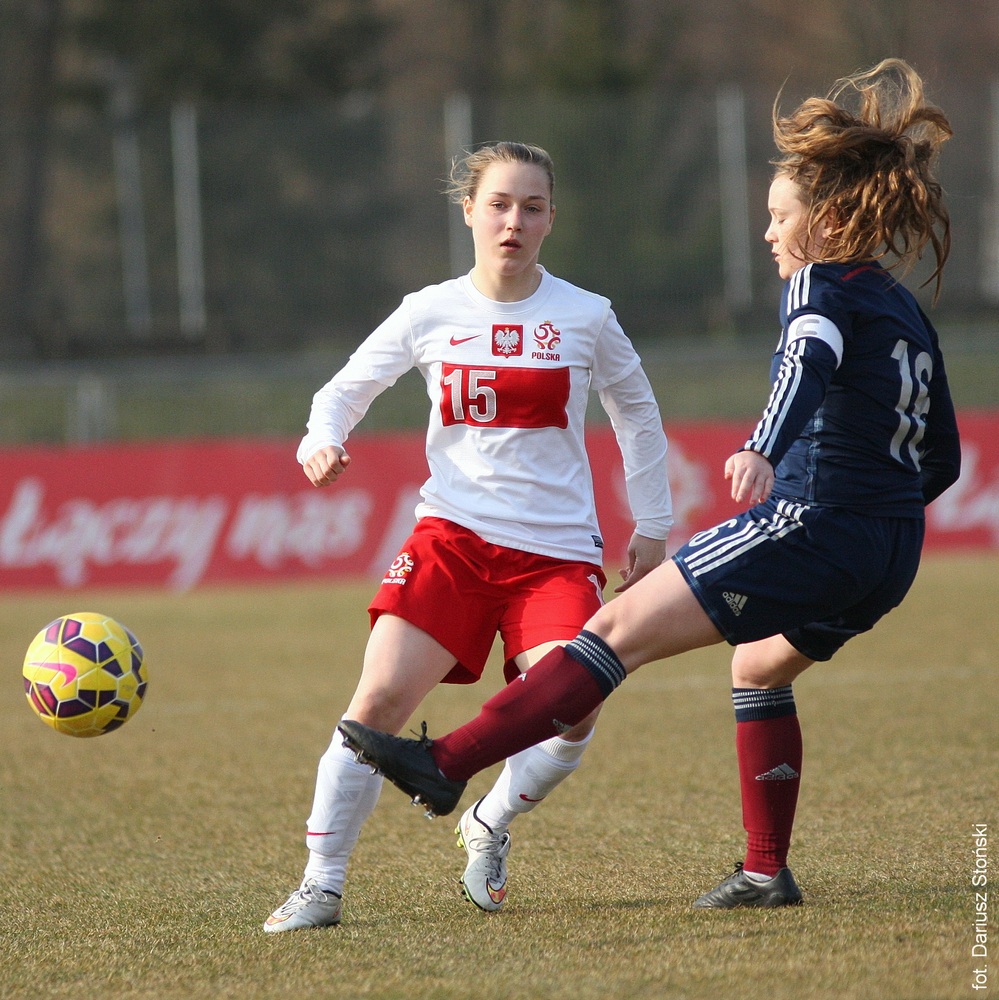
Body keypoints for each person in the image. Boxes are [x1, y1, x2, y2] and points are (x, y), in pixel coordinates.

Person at [339, 58, 963, 909]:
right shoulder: (902, 306)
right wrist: (877, 519)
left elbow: (806, 359)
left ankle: (447, 764)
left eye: (779, 217)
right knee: (757, 668)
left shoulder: (819, 281)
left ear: (829, 220)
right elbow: (942, 458)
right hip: (892, 548)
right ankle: (763, 872)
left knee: (611, 630)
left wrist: (765, 448)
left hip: (814, 521)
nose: (770, 234)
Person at [263, 141, 673, 931]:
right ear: (468, 212)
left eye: (531, 207)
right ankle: (321, 885)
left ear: (550, 219)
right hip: (451, 541)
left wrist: (652, 523)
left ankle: (489, 820)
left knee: (575, 710)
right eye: (498, 204)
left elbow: (638, 415)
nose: (513, 221)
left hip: (555, 557)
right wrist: (320, 440)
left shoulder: (586, 315)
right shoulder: (429, 310)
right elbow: (341, 392)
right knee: (376, 703)